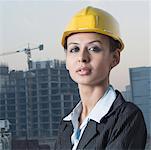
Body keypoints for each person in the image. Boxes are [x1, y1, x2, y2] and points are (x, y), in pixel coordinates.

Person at [55, 6, 147, 150]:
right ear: (66, 61)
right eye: (74, 49)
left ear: (115, 58)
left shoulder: (127, 118)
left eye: (94, 48)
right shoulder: (67, 125)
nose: (82, 58)